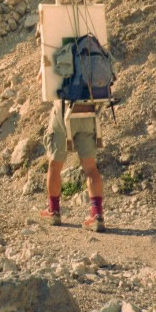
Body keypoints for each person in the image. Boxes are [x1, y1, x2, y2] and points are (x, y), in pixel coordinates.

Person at [38, 70, 105, 232]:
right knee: (90, 167)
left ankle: (53, 211)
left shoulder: (53, 46)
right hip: (89, 109)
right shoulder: (93, 46)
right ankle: (96, 215)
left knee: (55, 164)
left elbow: (43, 82)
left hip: (64, 110)